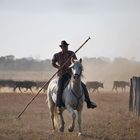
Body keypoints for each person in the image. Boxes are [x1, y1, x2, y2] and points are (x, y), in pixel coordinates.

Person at [52, 40, 97, 114]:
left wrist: (74, 64)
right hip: (62, 75)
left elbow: (76, 62)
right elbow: (53, 63)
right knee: (59, 88)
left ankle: (89, 102)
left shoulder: (72, 53)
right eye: (64, 47)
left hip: (71, 74)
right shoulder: (57, 55)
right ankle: (58, 106)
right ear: (61, 47)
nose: (66, 48)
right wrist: (58, 67)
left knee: (83, 86)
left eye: (66, 46)